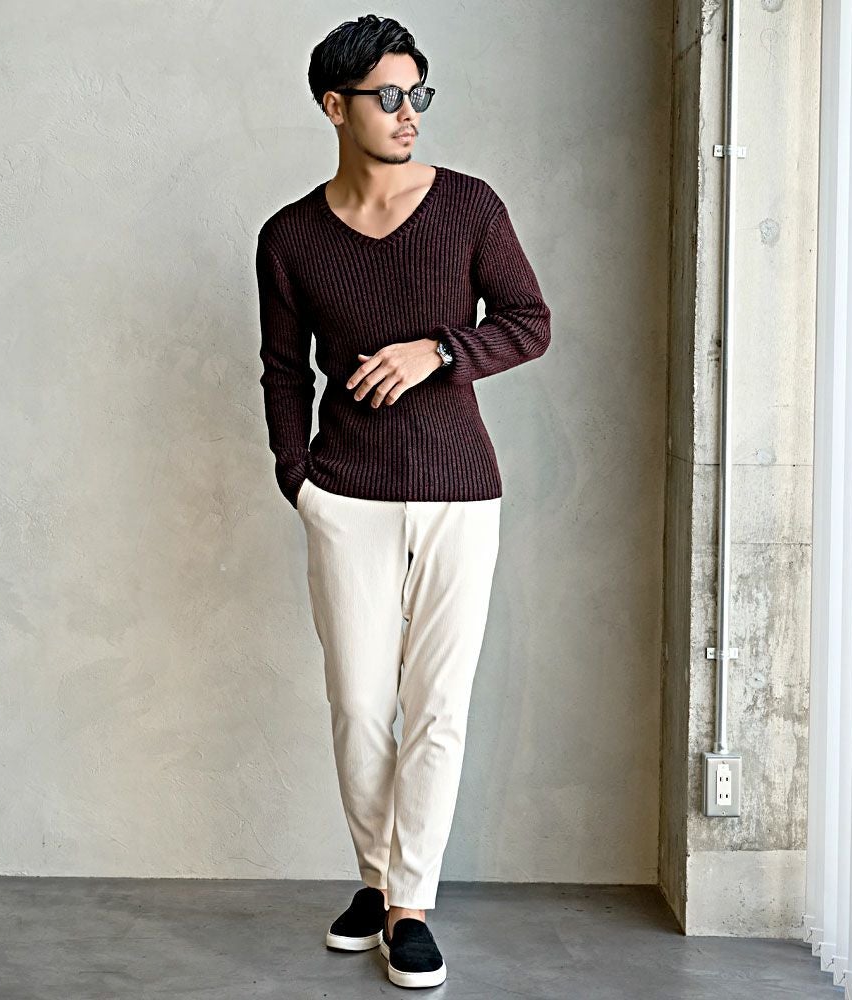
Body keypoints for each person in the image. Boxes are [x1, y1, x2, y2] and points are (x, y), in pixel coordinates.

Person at [255, 13, 551, 989]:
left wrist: (439, 350)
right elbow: (283, 369)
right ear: (334, 107)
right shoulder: (290, 237)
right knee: (357, 705)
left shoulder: (468, 207)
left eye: (417, 93)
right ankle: (379, 879)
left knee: (437, 707)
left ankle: (406, 903)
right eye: (387, 96)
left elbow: (529, 321)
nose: (409, 112)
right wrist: (297, 478)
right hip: (346, 494)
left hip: (459, 491)